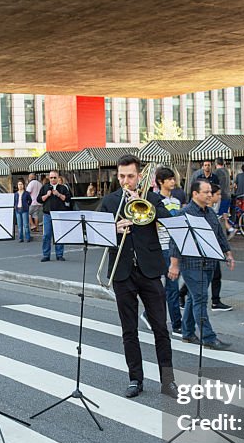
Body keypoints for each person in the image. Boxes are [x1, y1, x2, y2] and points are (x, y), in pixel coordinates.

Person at [99, 155, 177, 398]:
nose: (125, 181)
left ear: (140, 176)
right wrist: (113, 228)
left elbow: (169, 221)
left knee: (160, 329)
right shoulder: (109, 201)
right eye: (121, 176)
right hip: (122, 272)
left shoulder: (152, 198)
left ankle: (168, 381)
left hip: (150, 270)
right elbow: (95, 233)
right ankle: (135, 379)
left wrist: (143, 202)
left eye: (130, 176)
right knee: (129, 330)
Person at [169, 180, 234, 350]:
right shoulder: (184, 213)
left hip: (209, 263)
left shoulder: (211, 213)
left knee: (193, 297)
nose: (210, 195)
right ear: (195, 194)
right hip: (191, 264)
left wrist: (228, 254)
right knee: (200, 299)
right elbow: (175, 241)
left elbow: (220, 235)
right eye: (206, 192)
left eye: (210, 192)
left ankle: (187, 332)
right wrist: (174, 265)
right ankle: (208, 337)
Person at [155, 167, 185, 334]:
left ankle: (148, 314)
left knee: (170, 286)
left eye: (174, 179)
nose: (174, 182)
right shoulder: (155, 200)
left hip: (174, 246)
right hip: (162, 246)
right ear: (161, 182)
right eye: (170, 179)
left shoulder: (177, 200)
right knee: (171, 287)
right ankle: (176, 325)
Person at [38, 171, 71, 262]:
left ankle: (59, 254)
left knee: (59, 234)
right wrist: (47, 195)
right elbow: (39, 199)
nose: (53, 179)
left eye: (54, 177)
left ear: (58, 178)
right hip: (47, 214)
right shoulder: (44, 187)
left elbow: (68, 198)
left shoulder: (63, 188)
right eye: (51, 177)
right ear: (49, 178)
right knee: (46, 235)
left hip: (59, 214)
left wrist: (59, 194)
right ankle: (46, 255)